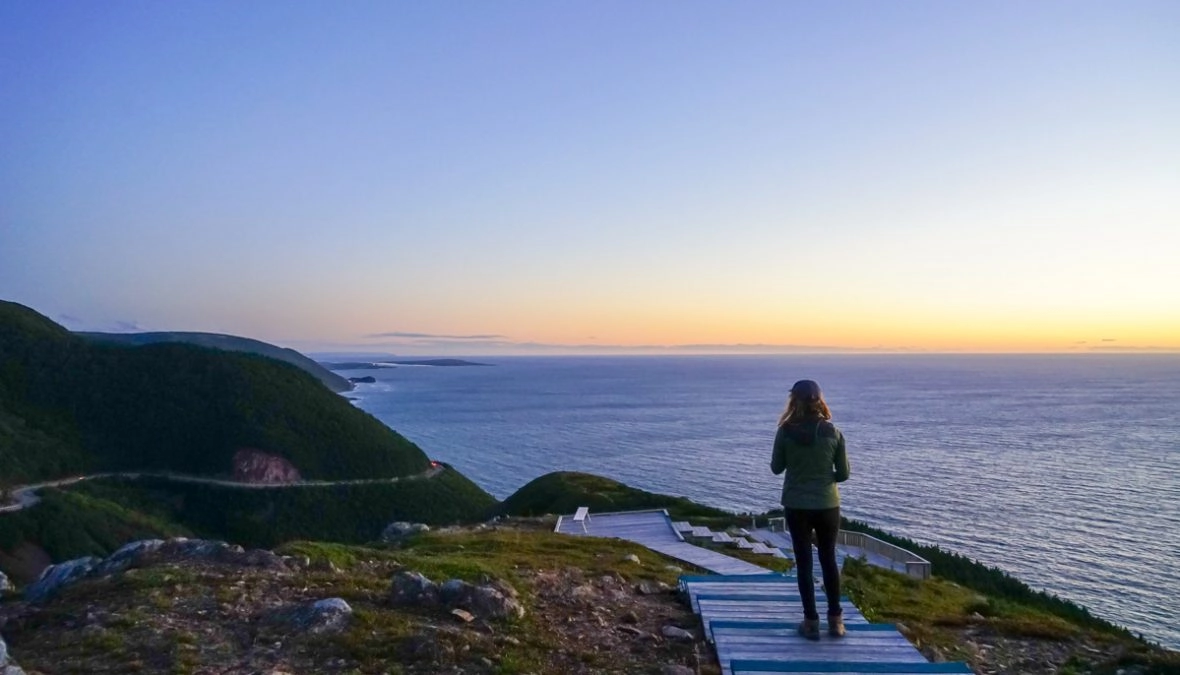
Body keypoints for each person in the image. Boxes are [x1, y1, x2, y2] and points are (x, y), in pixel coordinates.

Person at [770, 378, 851, 640]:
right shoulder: (833, 432)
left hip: (796, 505)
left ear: (794, 400)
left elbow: (776, 468)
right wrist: (826, 479)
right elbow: (844, 474)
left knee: (803, 562)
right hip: (828, 504)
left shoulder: (785, 431)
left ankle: (811, 623)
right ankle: (836, 622)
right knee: (828, 559)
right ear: (820, 400)